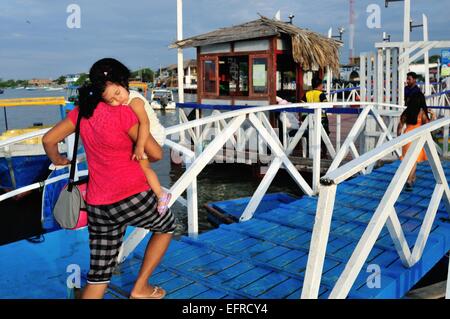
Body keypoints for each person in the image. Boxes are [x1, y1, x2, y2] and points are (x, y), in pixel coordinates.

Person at [42, 60, 177, 299]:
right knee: (167, 226)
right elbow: (155, 154)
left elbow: (49, 139)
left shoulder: (82, 112)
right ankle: (141, 287)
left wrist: (59, 159)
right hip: (131, 195)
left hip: (97, 204)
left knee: (99, 274)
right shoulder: (125, 113)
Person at [90, 58, 170, 214]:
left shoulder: (134, 101)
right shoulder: (123, 100)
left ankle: (161, 195)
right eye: (111, 100)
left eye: (118, 93)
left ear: (124, 84)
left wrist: (140, 147)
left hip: (151, 134)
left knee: (144, 168)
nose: (117, 99)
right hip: (143, 134)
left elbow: (144, 124)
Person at [397, 92, 430, 191]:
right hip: (417, 137)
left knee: (409, 160)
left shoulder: (406, 112)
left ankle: (412, 177)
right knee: (414, 160)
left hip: (407, 137)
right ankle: (409, 180)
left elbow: (399, 128)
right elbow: (427, 126)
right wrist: (433, 117)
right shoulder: (421, 112)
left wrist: (399, 137)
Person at [301, 77, 330, 157]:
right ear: (320, 85)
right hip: (322, 118)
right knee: (324, 136)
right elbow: (326, 106)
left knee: (311, 135)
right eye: (322, 85)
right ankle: (323, 154)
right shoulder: (321, 94)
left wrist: (303, 117)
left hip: (310, 119)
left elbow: (302, 105)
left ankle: (310, 153)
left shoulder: (307, 94)